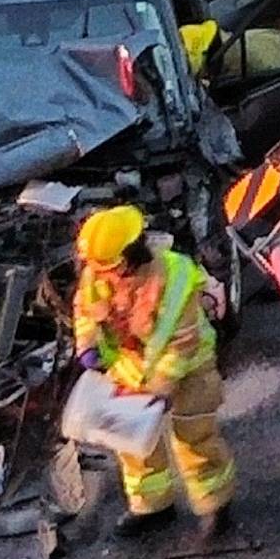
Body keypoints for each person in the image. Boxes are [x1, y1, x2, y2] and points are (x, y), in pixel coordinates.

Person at [72, 204, 235, 541]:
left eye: (114, 267)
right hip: (131, 369)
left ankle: (215, 505)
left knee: (195, 440)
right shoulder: (97, 271)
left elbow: (182, 341)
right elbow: (85, 309)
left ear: (133, 252)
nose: (108, 275)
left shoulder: (174, 275)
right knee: (132, 445)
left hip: (189, 369)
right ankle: (152, 507)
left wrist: (161, 388)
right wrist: (86, 344)